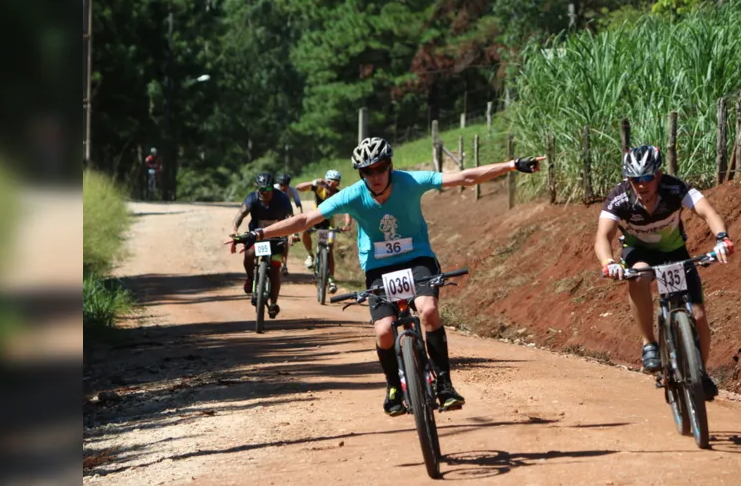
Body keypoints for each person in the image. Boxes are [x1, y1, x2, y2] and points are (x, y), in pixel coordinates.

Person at [228, 137, 544, 416]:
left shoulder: (410, 181)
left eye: (380, 169)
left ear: (390, 166)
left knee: (428, 310)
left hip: (417, 258)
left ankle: (445, 384)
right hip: (379, 268)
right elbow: (306, 220)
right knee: (383, 332)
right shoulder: (352, 195)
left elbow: (464, 177)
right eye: (368, 172)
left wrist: (513, 165)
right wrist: (257, 234)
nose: (376, 177)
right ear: (361, 174)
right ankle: (394, 387)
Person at [593, 145, 734, 401]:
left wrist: (722, 239)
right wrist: (608, 261)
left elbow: (708, 212)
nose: (641, 185)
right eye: (635, 179)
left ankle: (700, 372)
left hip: (674, 252)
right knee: (640, 275)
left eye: (647, 177)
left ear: (658, 175)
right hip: (639, 253)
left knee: (699, 315)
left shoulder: (675, 188)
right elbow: (603, 236)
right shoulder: (619, 198)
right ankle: (649, 343)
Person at [230, 173, 294, 318]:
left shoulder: (282, 198)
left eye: (269, 189)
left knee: (275, 270)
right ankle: (250, 277)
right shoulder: (252, 198)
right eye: (262, 190)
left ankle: (273, 303)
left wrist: (291, 234)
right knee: (249, 254)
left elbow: (290, 217)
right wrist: (234, 230)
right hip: (256, 235)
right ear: (257, 188)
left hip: (276, 236)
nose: (266, 193)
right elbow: (241, 214)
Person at [295, 169, 353, 293]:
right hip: (315, 220)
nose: (331, 185)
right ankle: (310, 255)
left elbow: (348, 209)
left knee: (329, 249)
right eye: (329, 182)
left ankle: (331, 279)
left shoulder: (338, 194)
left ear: (338, 184)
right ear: (325, 181)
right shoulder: (318, 189)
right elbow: (298, 187)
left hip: (327, 224)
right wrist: (313, 182)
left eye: (335, 182)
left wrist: (347, 224)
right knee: (305, 232)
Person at [275, 174, 304, 275]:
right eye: (281, 185)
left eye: (285, 185)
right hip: (273, 213)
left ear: (288, 184)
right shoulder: (274, 188)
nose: (283, 187)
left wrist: (301, 218)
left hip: (286, 213)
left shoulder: (292, 191)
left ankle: (284, 264)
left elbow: (298, 205)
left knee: (284, 241)